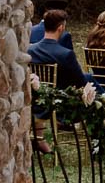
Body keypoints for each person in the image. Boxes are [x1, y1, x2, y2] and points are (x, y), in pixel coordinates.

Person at [29, 9, 92, 154]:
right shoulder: (65, 54)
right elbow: (80, 82)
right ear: (61, 28)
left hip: (35, 99)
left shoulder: (30, 50)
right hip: (58, 102)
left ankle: (39, 139)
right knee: (89, 80)